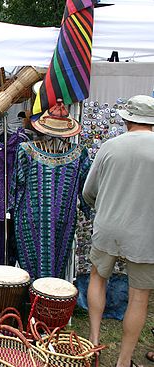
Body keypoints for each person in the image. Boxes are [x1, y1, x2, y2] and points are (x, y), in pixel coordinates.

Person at [82, 95, 154, 367]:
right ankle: (123, 361)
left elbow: (89, 192)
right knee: (139, 295)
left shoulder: (109, 147)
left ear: (126, 119)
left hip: (109, 225)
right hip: (146, 232)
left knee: (98, 277)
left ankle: (92, 339)